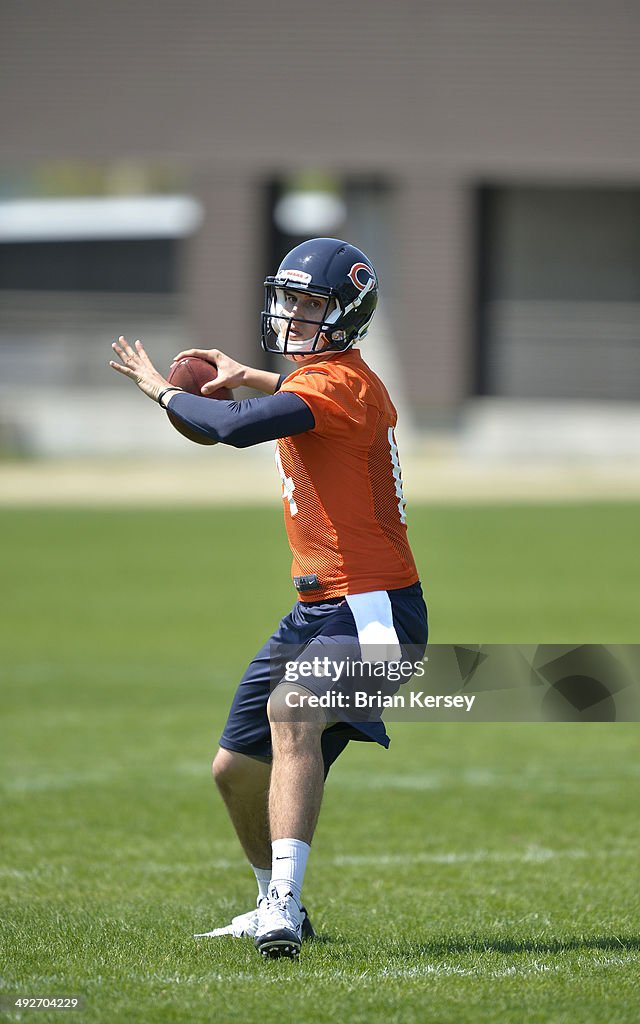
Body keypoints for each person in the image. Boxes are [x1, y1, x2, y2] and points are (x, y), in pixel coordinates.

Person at [109, 237, 428, 959]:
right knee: (234, 770)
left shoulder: (340, 384)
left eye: (312, 304)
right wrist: (244, 372)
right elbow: (277, 401)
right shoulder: (320, 381)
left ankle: (283, 903)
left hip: (376, 609)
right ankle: (272, 902)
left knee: (293, 711)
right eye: (289, 299)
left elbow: (233, 429)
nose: (292, 314)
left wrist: (162, 388)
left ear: (347, 316)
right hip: (317, 609)